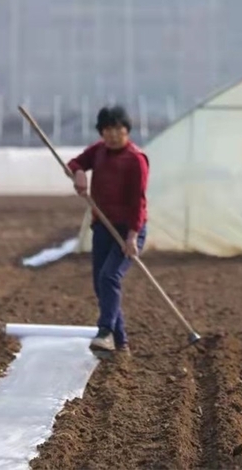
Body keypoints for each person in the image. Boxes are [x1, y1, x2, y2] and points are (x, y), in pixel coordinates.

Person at [67, 104, 149, 354]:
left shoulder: (136, 160)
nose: (112, 135)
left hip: (129, 229)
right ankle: (121, 342)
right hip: (102, 225)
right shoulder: (99, 151)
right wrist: (79, 173)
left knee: (110, 276)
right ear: (101, 132)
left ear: (126, 130)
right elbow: (74, 162)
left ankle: (104, 331)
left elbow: (139, 202)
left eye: (117, 129)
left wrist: (133, 236)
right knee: (100, 283)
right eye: (107, 130)